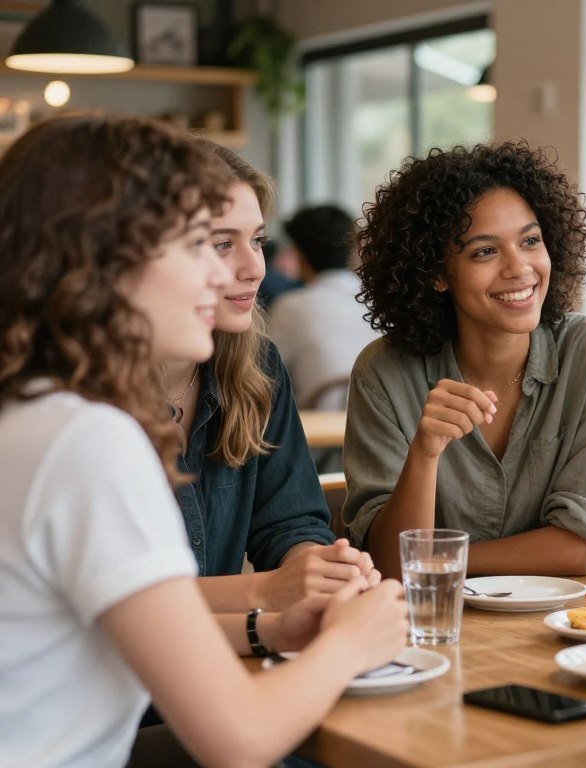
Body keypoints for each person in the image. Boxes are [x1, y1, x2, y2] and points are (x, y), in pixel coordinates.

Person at [0, 114, 407, 768]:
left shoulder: (33, 410)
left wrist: (268, 609)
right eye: (200, 244)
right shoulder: (86, 441)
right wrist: (353, 643)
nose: (233, 276)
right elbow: (240, 741)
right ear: (105, 257)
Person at [342, 142, 586, 581]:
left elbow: (578, 548)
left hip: (563, 630)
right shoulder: (384, 373)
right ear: (437, 274)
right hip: (432, 631)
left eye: (531, 241)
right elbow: (392, 561)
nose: (520, 268)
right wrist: (424, 452)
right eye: (485, 251)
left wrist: (438, 563)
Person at [162, 143, 378, 616]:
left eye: (258, 241)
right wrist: (270, 593)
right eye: (222, 244)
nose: (254, 267)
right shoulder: (75, 404)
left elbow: (289, 521)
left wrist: (316, 569)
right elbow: (114, 608)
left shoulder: (255, 365)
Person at [270, 204, 379, 410]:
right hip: (386, 426)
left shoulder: (290, 307)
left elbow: (266, 377)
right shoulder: (378, 300)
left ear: (299, 256)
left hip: (320, 433)